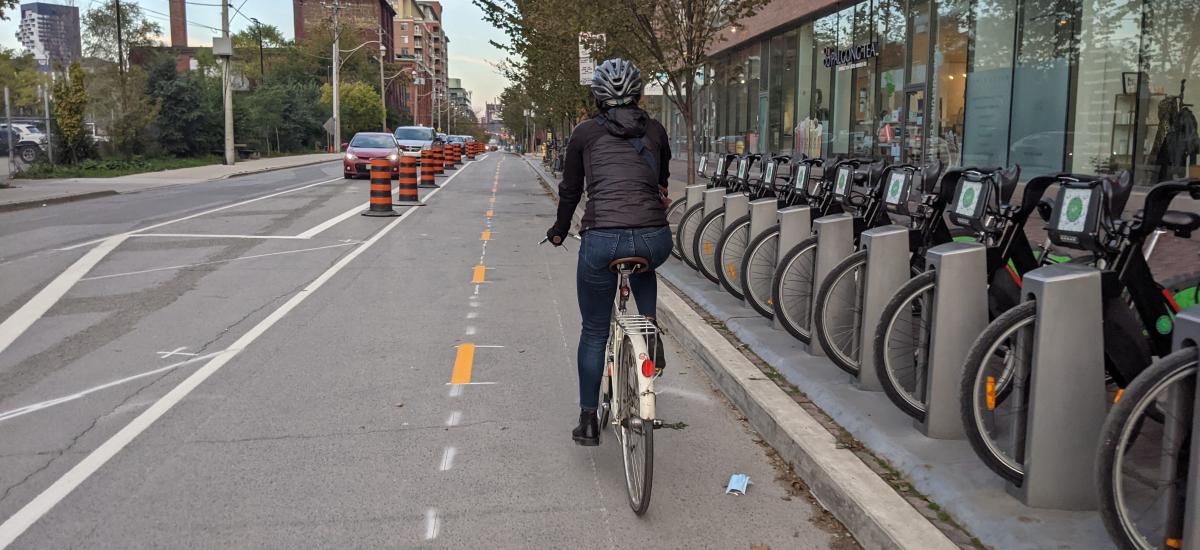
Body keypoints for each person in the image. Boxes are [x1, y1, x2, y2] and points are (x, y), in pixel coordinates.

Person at [545, 58, 673, 447]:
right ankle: (647, 324)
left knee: (595, 330)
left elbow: (570, 189)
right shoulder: (655, 130)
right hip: (654, 238)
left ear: (598, 96)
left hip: (602, 240)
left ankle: (587, 421)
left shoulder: (584, 134)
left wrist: (560, 229)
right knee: (643, 260)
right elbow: (662, 180)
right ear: (637, 94)